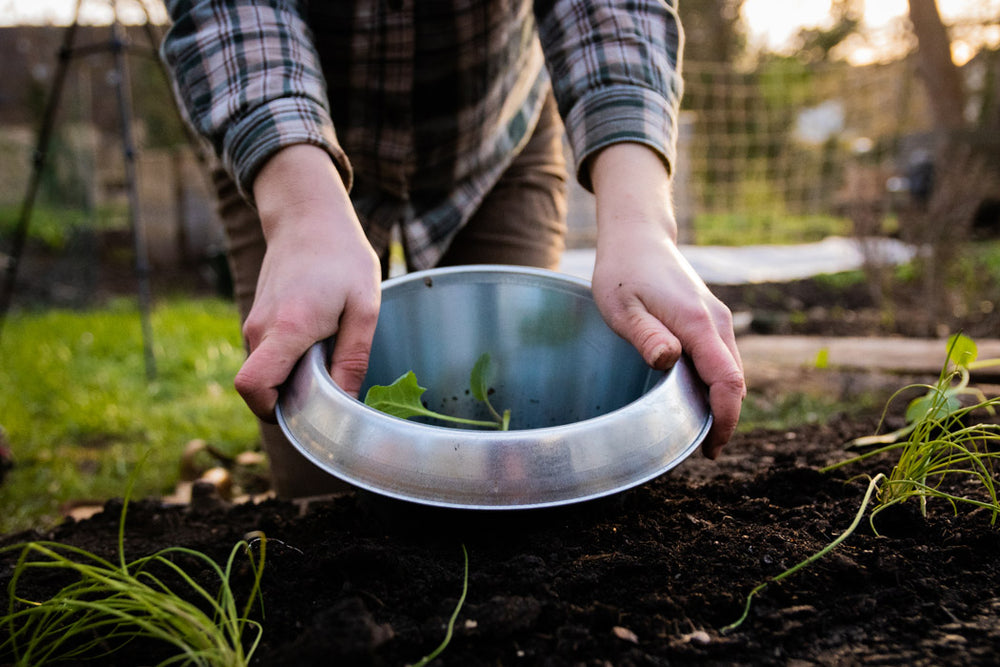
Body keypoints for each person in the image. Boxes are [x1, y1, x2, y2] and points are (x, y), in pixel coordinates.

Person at [161, 0, 746, 498]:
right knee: (320, 475)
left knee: (522, 471)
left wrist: (642, 223)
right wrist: (299, 211)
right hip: (280, 142)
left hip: (492, 129)